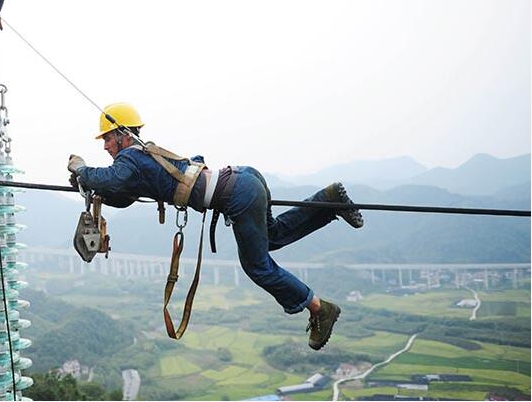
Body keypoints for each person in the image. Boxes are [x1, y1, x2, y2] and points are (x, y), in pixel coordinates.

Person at [66, 102, 365, 350]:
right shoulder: (141, 157)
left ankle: (320, 308)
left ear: (123, 134)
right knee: (271, 236)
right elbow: (122, 195)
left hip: (237, 193)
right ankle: (327, 201)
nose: (105, 146)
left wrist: (81, 169)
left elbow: (109, 179)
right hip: (244, 179)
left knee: (258, 267)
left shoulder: (130, 157)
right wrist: (87, 184)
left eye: (107, 138)